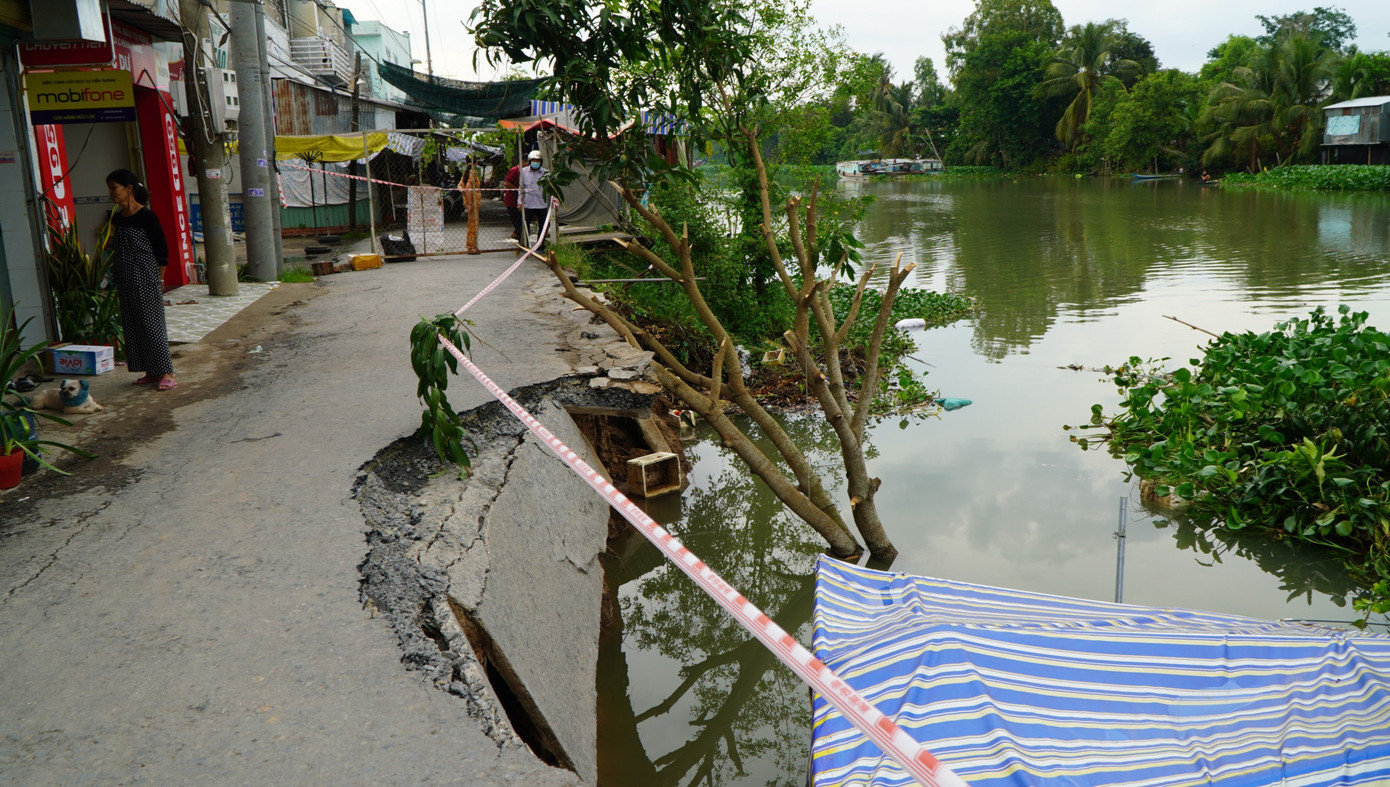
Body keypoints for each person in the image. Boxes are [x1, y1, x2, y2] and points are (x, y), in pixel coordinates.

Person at [105, 169, 177, 391]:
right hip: (125, 279)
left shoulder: (146, 217)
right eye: (109, 188)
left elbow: (161, 249)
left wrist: (160, 279)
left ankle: (167, 372)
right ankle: (151, 371)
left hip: (146, 279)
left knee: (151, 325)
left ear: (128, 189)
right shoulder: (117, 218)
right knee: (134, 326)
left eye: (114, 188)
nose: (111, 193)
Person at [519, 149, 548, 245]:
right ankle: (525, 243)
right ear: (530, 161)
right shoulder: (524, 171)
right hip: (528, 204)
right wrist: (519, 202)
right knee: (525, 225)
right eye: (534, 161)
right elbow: (521, 187)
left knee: (543, 226)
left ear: (541, 162)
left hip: (541, 204)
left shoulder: (545, 173)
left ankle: (540, 245)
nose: (536, 163)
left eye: (538, 161)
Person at [456, 159, 481, 254]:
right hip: (473, 202)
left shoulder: (466, 173)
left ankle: (472, 245)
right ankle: (472, 246)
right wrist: (470, 203)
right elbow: (469, 189)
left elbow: (460, 186)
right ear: (476, 163)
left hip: (470, 202)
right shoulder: (472, 173)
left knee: (471, 224)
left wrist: (464, 194)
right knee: (473, 225)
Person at [501, 160, 523, 242]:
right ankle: (517, 234)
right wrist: (517, 189)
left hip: (519, 199)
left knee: (520, 220)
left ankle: (517, 234)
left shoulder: (525, 171)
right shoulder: (514, 170)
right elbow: (506, 183)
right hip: (512, 200)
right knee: (516, 219)